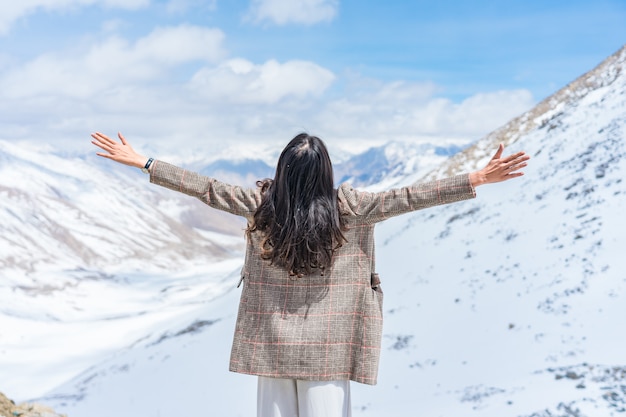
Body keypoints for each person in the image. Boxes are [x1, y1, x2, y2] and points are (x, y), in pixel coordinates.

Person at [91, 131, 529, 417]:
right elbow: (412, 196)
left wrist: (146, 162)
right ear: (325, 174)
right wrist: (476, 178)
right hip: (330, 348)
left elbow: (205, 188)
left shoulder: (261, 206)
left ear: (282, 171)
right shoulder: (353, 210)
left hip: (271, 345)